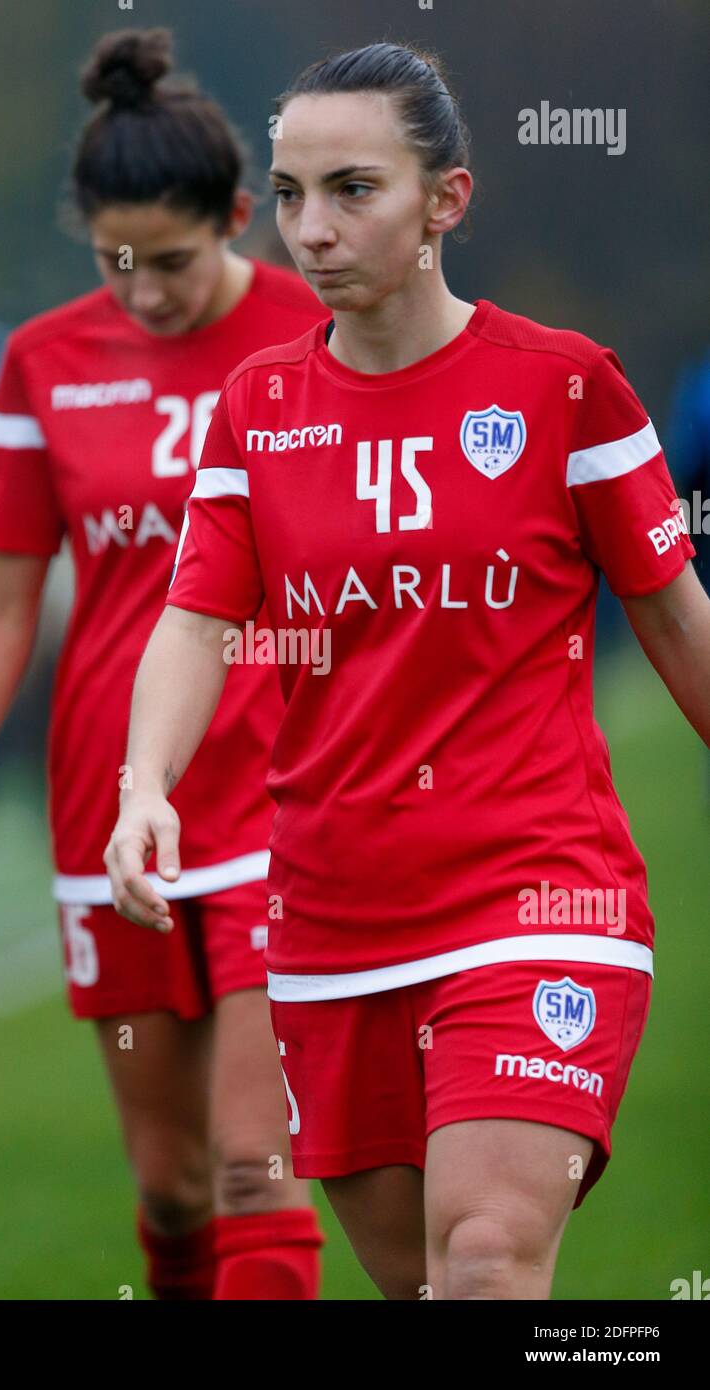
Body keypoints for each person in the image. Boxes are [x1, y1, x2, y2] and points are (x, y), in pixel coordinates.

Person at [103, 40, 710, 1300]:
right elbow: (199, 620)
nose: (308, 230)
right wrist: (142, 784)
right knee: (426, 1287)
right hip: (329, 926)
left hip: (538, 898)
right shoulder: (256, 410)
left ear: (447, 199)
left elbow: (674, 624)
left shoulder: (562, 389)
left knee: (485, 1260)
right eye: (286, 194)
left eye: (351, 189)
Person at [0, 27, 327, 1301]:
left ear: (242, 219)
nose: (144, 295)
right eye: (114, 263)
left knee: (258, 1165)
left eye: (175, 264)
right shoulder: (44, 360)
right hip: (104, 798)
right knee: (172, 1185)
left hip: (284, 788)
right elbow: (5, 604)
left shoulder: (323, 332)